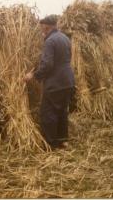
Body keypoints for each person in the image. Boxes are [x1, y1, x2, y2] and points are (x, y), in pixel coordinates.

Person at [25, 15, 75, 149]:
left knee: (48, 112)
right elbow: (65, 59)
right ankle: (63, 141)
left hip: (55, 83)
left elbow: (48, 64)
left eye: (42, 27)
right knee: (62, 111)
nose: (42, 30)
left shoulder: (50, 41)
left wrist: (34, 75)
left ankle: (50, 144)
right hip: (68, 81)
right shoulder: (65, 38)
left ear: (47, 26)